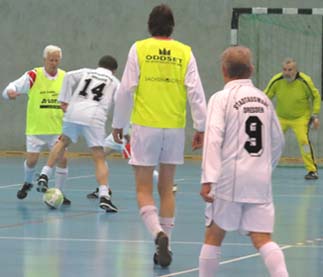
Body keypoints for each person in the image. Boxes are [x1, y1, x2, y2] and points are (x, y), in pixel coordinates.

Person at [112, 4, 207, 267]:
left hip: (145, 126)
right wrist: (201, 126)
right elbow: (196, 92)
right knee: (167, 188)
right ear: (172, 26)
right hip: (174, 127)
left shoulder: (139, 48)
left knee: (143, 189)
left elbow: (126, 89)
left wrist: (118, 123)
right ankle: (168, 244)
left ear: (149, 25)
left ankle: (158, 233)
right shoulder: (184, 52)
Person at [199, 46, 288, 277]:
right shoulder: (264, 99)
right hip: (259, 180)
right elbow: (278, 141)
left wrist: (208, 178)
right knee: (262, 238)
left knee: (214, 235)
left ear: (223, 70)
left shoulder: (221, 98)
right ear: (251, 70)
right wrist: (265, 168)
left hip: (229, 179)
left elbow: (213, 138)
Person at [37, 55, 120, 213]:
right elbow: (122, 102)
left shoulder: (86, 72)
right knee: (98, 156)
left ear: (99, 65)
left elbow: (67, 76)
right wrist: (118, 126)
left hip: (73, 111)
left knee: (62, 142)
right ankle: (104, 196)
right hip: (94, 115)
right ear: (114, 71)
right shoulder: (114, 82)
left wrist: (63, 100)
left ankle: (44, 173)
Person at [2, 45, 70, 204]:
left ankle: (60, 192)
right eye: (51, 60)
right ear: (45, 59)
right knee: (32, 161)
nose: (54, 63)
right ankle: (27, 182)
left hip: (57, 129)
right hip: (36, 128)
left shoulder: (65, 77)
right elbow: (13, 86)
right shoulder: (34, 75)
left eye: (56, 60)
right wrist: (9, 93)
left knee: (63, 159)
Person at [264, 58, 321, 180]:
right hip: (281, 118)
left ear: (296, 70)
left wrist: (315, 115)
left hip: (300, 118)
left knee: (304, 142)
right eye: (284, 69)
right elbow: (265, 97)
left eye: (290, 70)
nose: (287, 73)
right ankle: (262, 168)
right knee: (270, 141)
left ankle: (312, 170)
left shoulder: (305, 81)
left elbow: (316, 97)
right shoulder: (276, 80)